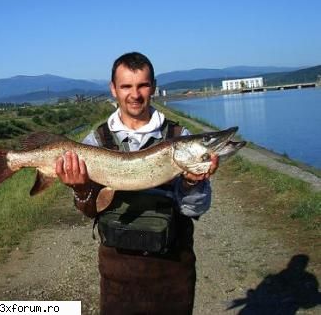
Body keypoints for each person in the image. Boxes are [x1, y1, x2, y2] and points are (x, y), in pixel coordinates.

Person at [55, 52, 219, 315]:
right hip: (118, 272)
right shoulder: (95, 141)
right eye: (126, 86)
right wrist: (81, 189)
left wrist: (191, 184)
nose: (135, 94)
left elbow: (194, 209)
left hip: (172, 268)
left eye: (142, 85)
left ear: (153, 86)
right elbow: (90, 210)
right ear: (113, 89)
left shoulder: (180, 138)